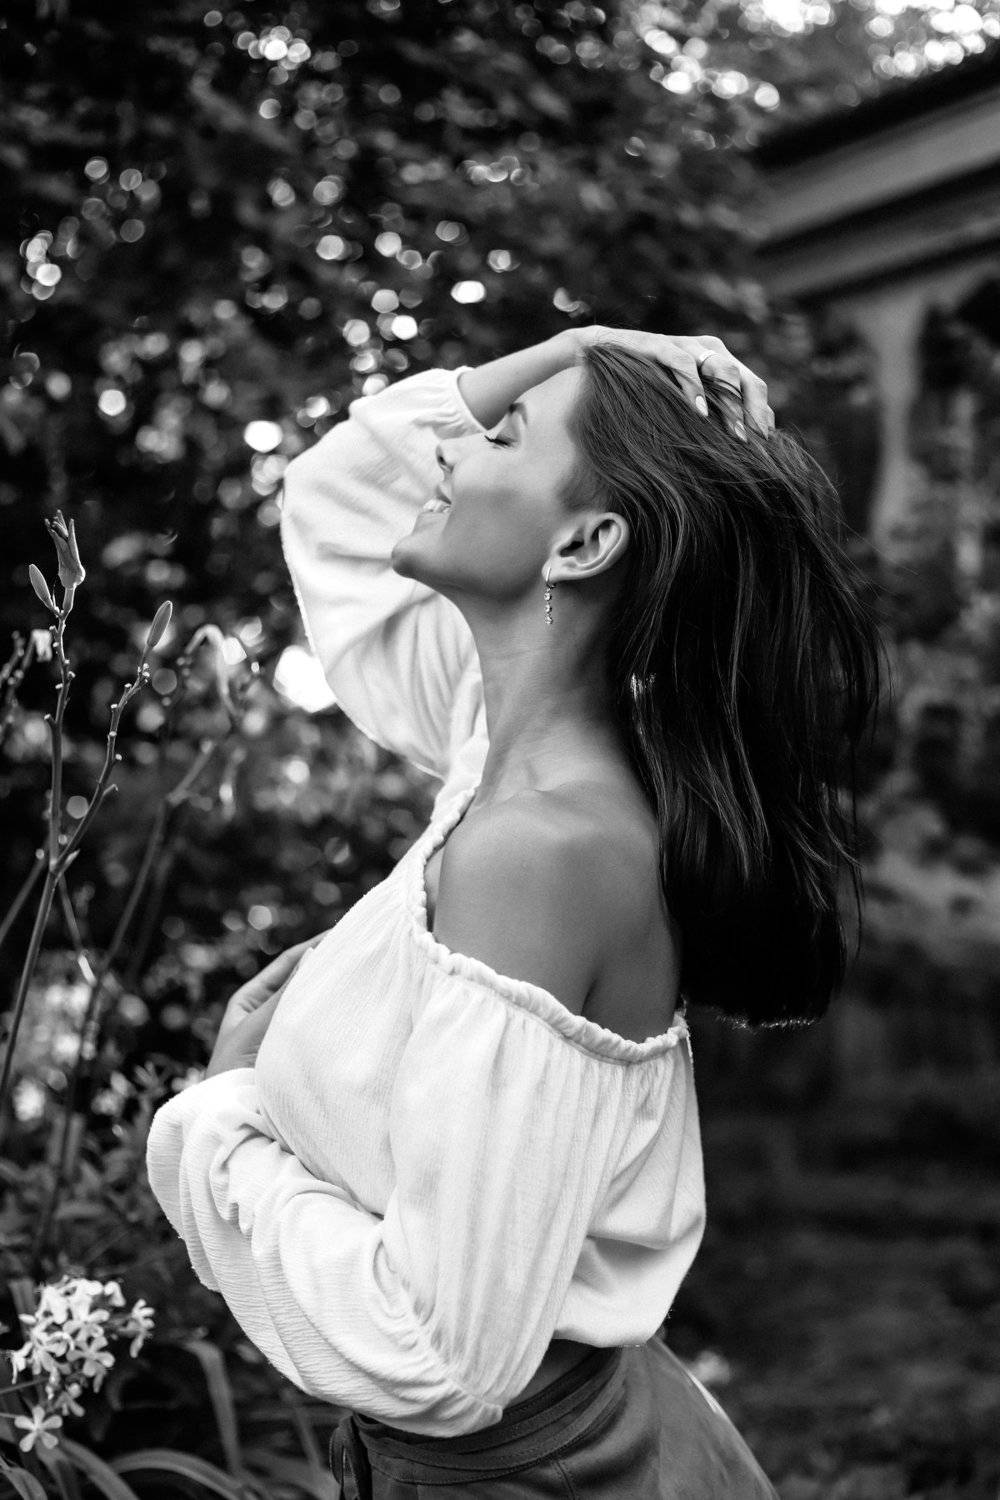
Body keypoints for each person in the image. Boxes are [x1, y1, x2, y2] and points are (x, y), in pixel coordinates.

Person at [145, 327, 882, 1497]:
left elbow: (434, 1356)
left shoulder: (541, 850)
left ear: (584, 542)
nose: (450, 449)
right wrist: (583, 344)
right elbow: (339, 494)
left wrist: (219, 1122)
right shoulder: (502, 746)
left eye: (503, 438)